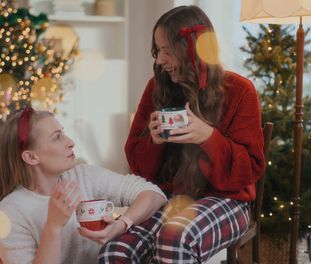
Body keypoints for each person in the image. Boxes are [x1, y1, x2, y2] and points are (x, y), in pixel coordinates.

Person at [99, 5, 265, 263]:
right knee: (115, 251)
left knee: (175, 237)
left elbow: (248, 171)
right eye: (158, 50)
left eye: (166, 51)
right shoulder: (157, 87)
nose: (159, 60)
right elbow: (140, 172)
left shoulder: (240, 91)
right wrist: (153, 142)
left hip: (228, 201)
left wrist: (208, 137)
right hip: (169, 198)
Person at [0, 107, 167, 264]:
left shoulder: (83, 175)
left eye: (63, 133)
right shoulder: (8, 214)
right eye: (57, 137)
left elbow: (154, 193)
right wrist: (53, 226)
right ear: (31, 157)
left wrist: (122, 224)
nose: (70, 142)